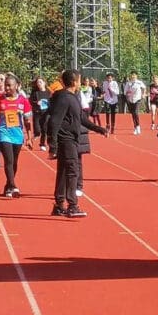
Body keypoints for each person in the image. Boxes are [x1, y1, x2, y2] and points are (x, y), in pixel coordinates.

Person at [47, 69, 106, 218]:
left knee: (63, 171)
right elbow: (54, 121)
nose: (81, 83)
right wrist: (52, 145)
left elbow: (82, 119)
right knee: (73, 171)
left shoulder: (73, 97)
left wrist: (99, 129)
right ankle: (72, 205)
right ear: (74, 82)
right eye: (79, 80)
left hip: (72, 139)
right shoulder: (64, 98)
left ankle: (59, 205)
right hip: (66, 139)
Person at [0, 73, 33, 197]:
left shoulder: (23, 101)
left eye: (9, 85)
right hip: (3, 133)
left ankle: (8, 185)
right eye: (5, 85)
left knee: (14, 162)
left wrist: (29, 138)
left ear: (16, 86)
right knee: (9, 160)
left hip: (17, 134)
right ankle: (13, 186)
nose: (7, 88)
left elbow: (27, 121)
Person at [29, 76, 52, 151]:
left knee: (44, 129)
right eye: (37, 82)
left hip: (46, 113)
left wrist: (49, 104)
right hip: (37, 113)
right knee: (37, 131)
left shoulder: (49, 92)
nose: (39, 84)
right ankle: (32, 138)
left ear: (44, 83)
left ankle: (42, 144)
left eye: (40, 82)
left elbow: (52, 101)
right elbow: (30, 101)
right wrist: (36, 103)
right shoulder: (35, 92)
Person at [122, 70, 146, 134]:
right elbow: (125, 92)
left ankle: (138, 126)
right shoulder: (128, 83)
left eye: (134, 75)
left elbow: (144, 88)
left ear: (136, 76)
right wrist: (128, 93)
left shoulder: (139, 82)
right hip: (130, 100)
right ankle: (135, 127)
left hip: (137, 99)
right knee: (133, 114)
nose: (133, 76)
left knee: (136, 112)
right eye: (132, 75)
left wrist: (143, 94)